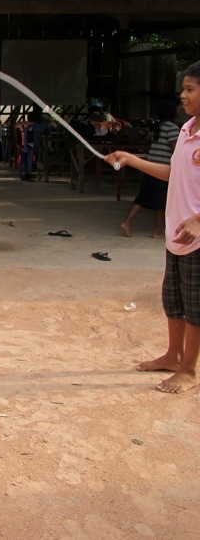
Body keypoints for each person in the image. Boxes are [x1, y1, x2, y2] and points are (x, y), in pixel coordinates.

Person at [107, 62, 200, 394]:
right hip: (177, 234)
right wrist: (132, 160)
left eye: (190, 89)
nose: (182, 95)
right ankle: (174, 355)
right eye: (183, 88)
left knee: (195, 307)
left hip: (196, 237)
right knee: (173, 300)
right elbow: (173, 173)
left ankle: (189, 370)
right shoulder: (186, 130)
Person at [120, 98, 179, 238]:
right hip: (162, 169)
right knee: (161, 201)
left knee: (143, 197)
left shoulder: (158, 126)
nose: (180, 110)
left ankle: (128, 222)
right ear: (172, 111)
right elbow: (175, 150)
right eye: (178, 107)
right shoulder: (172, 128)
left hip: (150, 167)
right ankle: (157, 231)